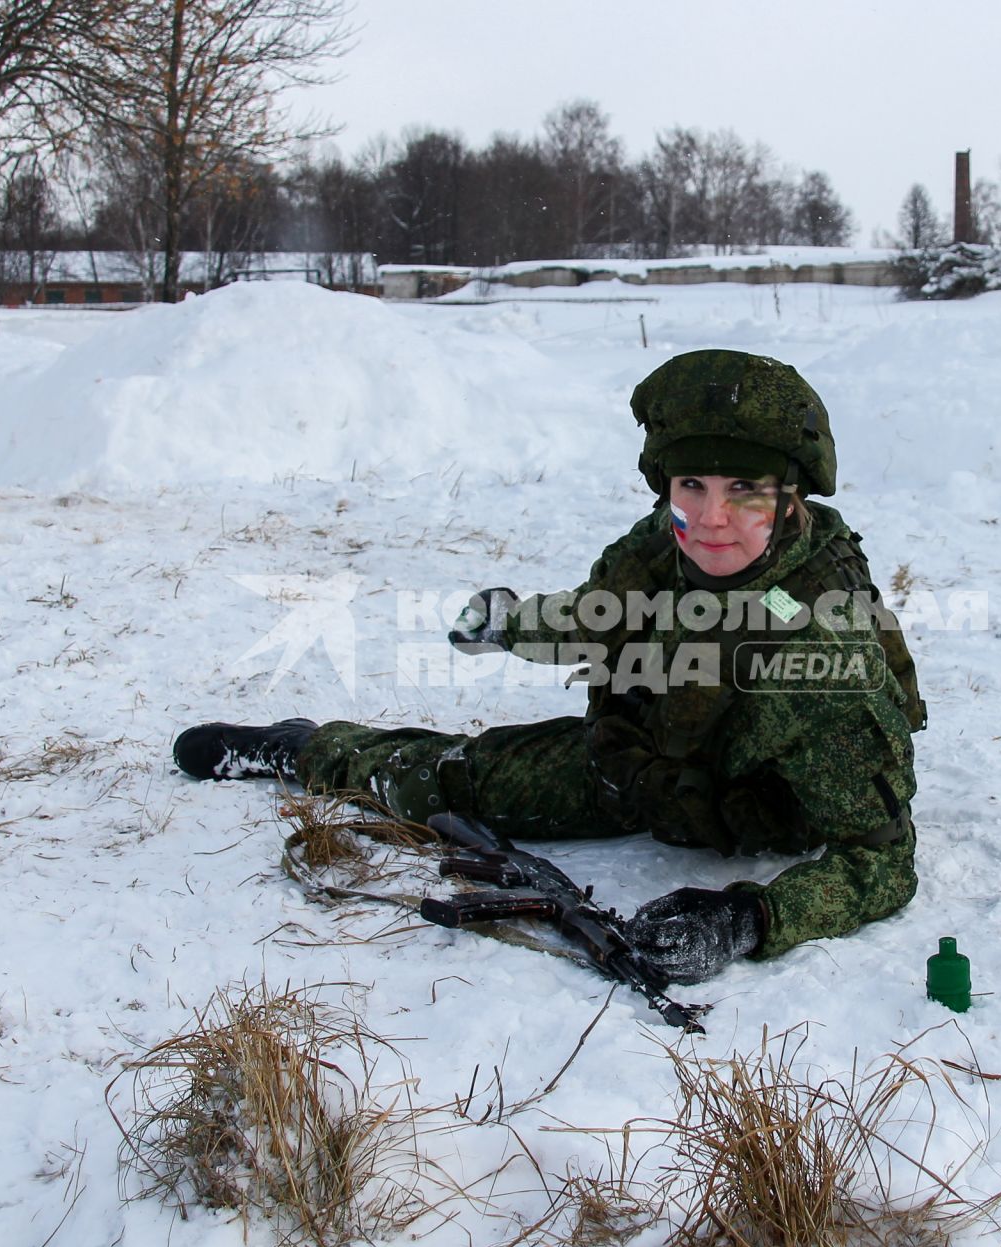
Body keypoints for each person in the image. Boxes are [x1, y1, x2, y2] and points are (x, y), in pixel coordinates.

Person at [175, 349, 926, 984]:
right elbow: (598, 619)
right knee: (447, 780)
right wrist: (510, 623)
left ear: (790, 496)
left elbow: (882, 864)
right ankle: (299, 748)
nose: (712, 518)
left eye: (745, 492)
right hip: (642, 765)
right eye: (691, 485)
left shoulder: (827, 653)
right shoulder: (666, 542)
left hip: (746, 807)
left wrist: (747, 918)